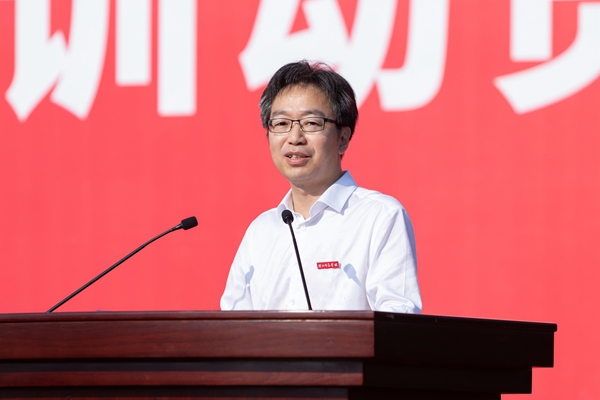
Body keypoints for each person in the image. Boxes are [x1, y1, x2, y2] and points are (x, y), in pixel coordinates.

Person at [220, 61, 421, 313]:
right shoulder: (261, 231)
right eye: (281, 124)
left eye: (311, 123)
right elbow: (233, 325)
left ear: (343, 138)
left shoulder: (379, 217)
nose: (294, 138)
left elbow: (397, 318)